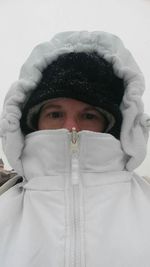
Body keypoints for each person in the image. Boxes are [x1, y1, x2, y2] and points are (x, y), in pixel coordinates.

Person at [0, 31, 150, 267]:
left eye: (89, 115)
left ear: (112, 126)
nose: (71, 127)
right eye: (55, 114)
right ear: (33, 122)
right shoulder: (4, 213)